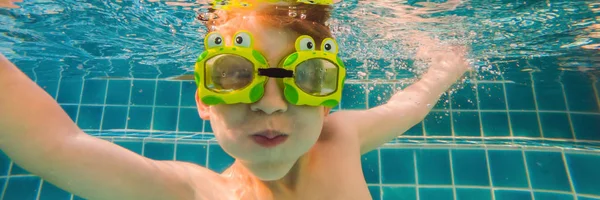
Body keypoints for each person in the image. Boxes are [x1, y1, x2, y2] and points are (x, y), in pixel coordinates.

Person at [0, 0, 470, 199]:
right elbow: (56, 146)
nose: (270, 105)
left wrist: (446, 68)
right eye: (233, 76)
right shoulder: (200, 193)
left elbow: (412, 103)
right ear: (203, 99)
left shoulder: (338, 136)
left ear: (328, 101)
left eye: (306, 77)